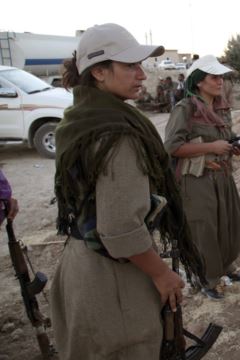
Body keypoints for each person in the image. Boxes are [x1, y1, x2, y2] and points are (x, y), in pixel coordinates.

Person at [50, 23, 205, 359]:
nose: (141, 74)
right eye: (130, 66)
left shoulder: (80, 119)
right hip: (111, 277)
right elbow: (120, 228)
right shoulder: (117, 133)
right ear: (100, 72)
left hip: (82, 264)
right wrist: (162, 274)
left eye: (140, 65)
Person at [165, 55, 240, 300]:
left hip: (222, 176)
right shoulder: (185, 109)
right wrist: (211, 148)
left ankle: (226, 266)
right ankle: (208, 279)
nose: (219, 81)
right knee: (205, 229)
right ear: (199, 82)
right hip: (197, 180)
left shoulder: (220, 107)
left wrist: (235, 144)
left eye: (221, 76)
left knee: (228, 223)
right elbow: (171, 147)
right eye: (214, 77)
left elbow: (226, 136)